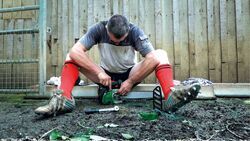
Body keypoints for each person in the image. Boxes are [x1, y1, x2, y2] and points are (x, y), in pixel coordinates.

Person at [35, 14, 200, 116]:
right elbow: (75, 51)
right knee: (70, 55)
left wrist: (130, 81)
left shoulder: (135, 31)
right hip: (104, 75)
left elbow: (151, 58)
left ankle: (169, 96)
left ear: (128, 30)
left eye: (122, 40)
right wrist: (98, 73)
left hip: (130, 74)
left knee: (160, 54)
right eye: (115, 40)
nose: (119, 43)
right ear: (107, 30)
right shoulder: (98, 29)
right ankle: (64, 99)